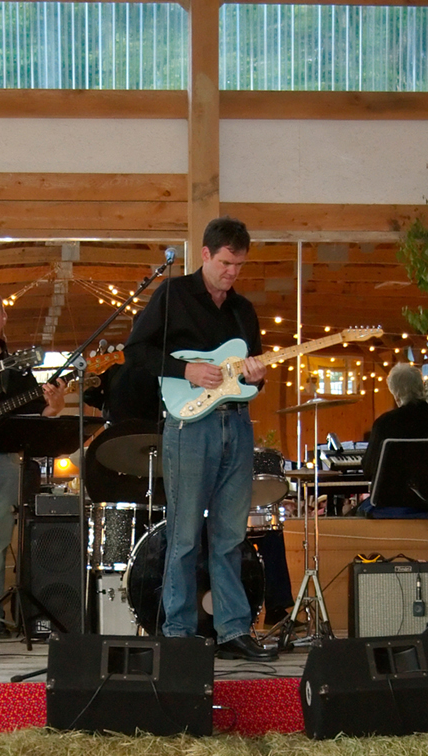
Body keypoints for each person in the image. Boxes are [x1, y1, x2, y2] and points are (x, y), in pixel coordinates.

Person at [123, 215, 277, 661]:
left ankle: (233, 629)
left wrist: (258, 377)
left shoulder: (242, 310)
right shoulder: (172, 295)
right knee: (185, 534)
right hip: (190, 425)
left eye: (240, 265)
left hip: (236, 423)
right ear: (205, 254)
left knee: (230, 534)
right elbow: (136, 351)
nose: (232, 272)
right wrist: (186, 369)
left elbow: (249, 380)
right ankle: (177, 632)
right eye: (227, 263)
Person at [0, 289, 65, 638]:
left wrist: (54, 404)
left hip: (5, 462)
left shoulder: (19, 368)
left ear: (3, 318)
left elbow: (36, 414)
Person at [360, 361, 428, 479]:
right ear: (421, 385)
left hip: (394, 493)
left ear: (396, 394)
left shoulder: (385, 423)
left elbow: (369, 468)